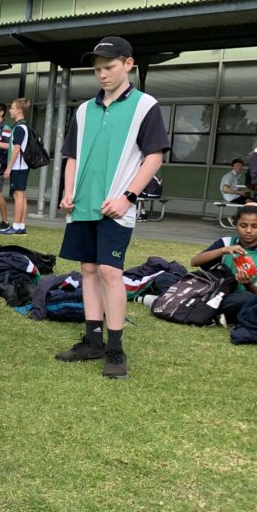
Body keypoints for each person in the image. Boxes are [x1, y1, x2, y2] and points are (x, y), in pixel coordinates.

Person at [57, 36, 170, 379]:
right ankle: (92, 341)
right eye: (97, 70)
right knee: (88, 270)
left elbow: (154, 157)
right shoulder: (83, 109)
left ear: (128, 64)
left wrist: (128, 197)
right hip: (83, 205)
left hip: (116, 207)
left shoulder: (145, 105)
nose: (103, 75)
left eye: (109, 67)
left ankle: (116, 349)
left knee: (110, 272)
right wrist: (67, 191)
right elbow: (72, 156)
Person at [186, 204, 257, 324]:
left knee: (247, 299)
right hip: (216, 293)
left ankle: (205, 311)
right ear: (236, 226)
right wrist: (223, 250)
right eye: (243, 225)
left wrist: (249, 285)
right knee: (176, 277)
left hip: (242, 299)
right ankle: (208, 311)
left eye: (255, 226)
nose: (248, 231)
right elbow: (195, 262)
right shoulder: (226, 242)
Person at [0, 98, 32, 235]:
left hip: (18, 167)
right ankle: (21, 225)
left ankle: (17, 225)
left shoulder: (19, 128)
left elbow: (16, 148)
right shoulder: (24, 127)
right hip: (23, 166)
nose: (10, 110)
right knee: (22, 196)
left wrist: (8, 168)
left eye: (12, 108)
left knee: (18, 196)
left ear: (19, 110)